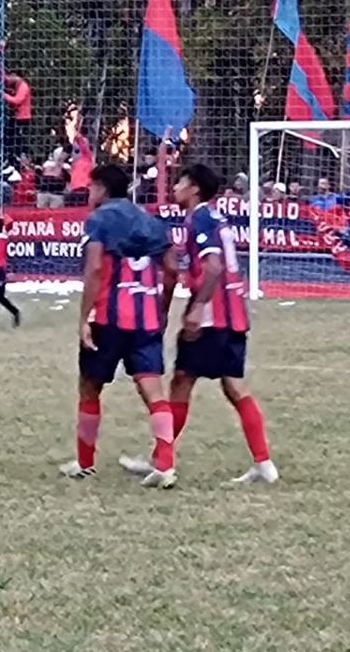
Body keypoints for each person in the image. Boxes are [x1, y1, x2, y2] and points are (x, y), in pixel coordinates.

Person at [124, 164, 278, 486]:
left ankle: (162, 461)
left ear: (194, 189)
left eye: (180, 182)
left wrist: (197, 309)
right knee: (234, 385)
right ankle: (263, 463)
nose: (175, 187)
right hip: (234, 314)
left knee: (182, 382)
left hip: (214, 318)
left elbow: (214, 267)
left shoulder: (201, 218)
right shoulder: (215, 217)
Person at [58, 164, 181, 486]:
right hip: (146, 319)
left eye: (91, 187)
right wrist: (162, 309)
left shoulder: (100, 219)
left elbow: (96, 267)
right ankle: (166, 463)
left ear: (100, 188)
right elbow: (171, 270)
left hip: (109, 318)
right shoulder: (151, 221)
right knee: (153, 389)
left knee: (89, 386)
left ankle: (85, 462)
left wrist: (84, 317)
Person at [2, 73, 33, 160]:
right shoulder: (16, 86)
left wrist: (4, 95)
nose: (8, 82)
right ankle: (11, 155)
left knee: (19, 139)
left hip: (23, 118)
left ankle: (20, 156)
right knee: (11, 137)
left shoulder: (23, 86)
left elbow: (17, 100)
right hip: (17, 117)